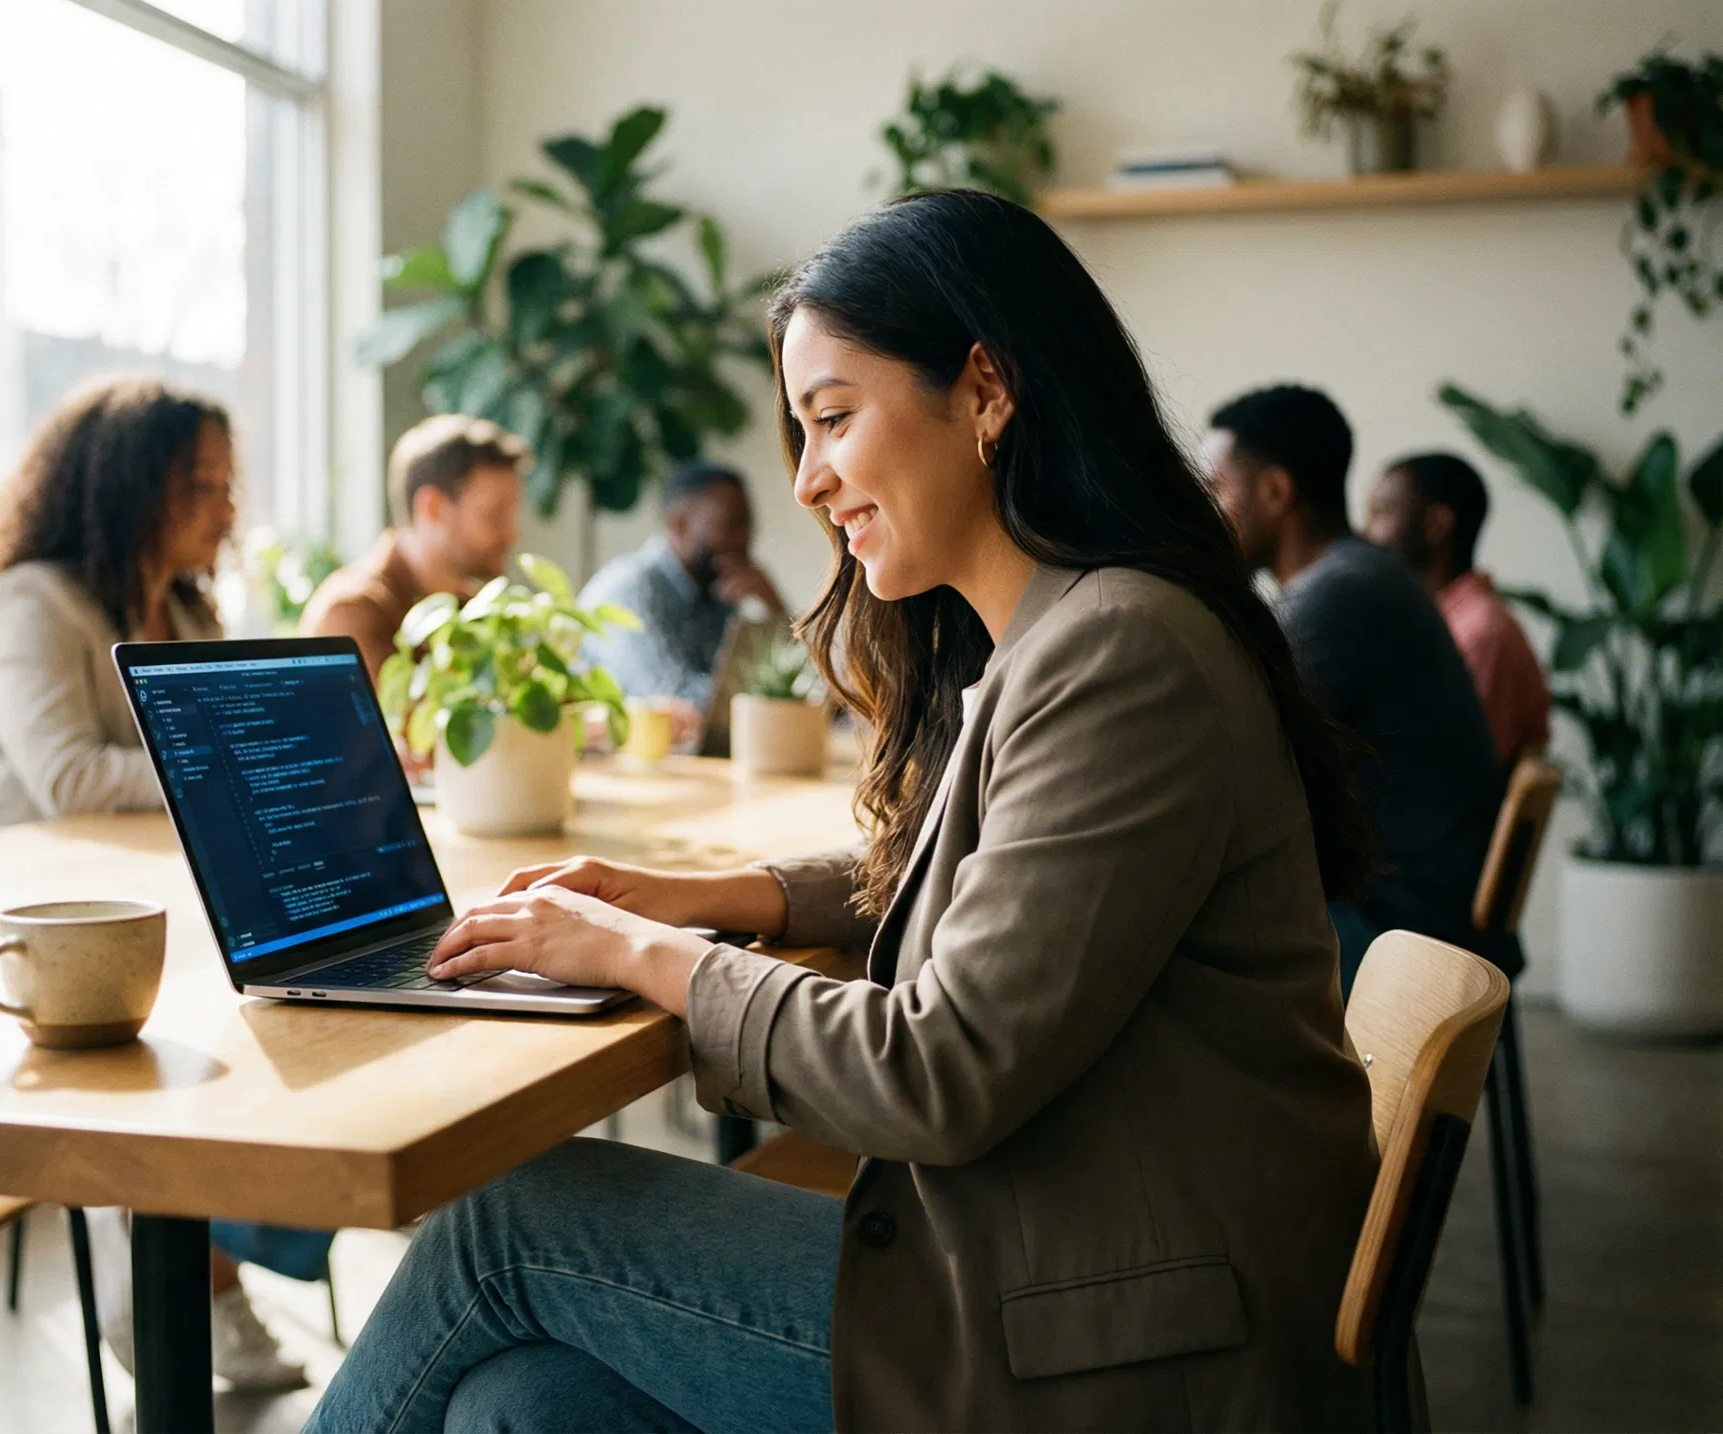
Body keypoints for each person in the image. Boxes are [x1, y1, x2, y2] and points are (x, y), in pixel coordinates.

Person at [306, 192, 1381, 1433]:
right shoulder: (1077, 628)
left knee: (505, 1225)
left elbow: (939, 1069)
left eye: (832, 419)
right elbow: (980, 876)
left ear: (985, 392)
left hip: (1120, 1348)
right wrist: (709, 897)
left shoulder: (1120, 653)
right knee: (525, 1404)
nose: (809, 481)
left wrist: (639, 954)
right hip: (1089, 1267)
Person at [0, 375, 327, 1392]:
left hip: (136, 905)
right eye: (200, 484)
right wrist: (221, 762)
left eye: (228, 483)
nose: (226, 508)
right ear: (127, 487)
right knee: (196, 1027)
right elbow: (68, 777)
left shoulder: (189, 611)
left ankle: (226, 1250)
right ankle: (190, 1283)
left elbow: (213, 758)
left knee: (282, 999)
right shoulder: (32, 602)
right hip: (9, 929)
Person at [1204, 385, 1503, 986]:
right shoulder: (1369, 575)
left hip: (1402, 931)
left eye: (1216, 488)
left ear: (1276, 491)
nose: (1205, 509)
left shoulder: (1338, 597)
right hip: (1420, 908)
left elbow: (1227, 761)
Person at [301, 414, 526, 679]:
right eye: (494, 515)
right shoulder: (352, 613)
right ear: (433, 507)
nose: (512, 535)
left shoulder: (475, 610)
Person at [1363, 451, 1551, 766]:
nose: (1365, 533)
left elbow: (1446, 766)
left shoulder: (1478, 634)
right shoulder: (1437, 623)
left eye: (1380, 514)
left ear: (1436, 524)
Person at [576, 459, 788, 714]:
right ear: (679, 525)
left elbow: (802, 682)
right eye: (732, 524)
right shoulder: (630, 590)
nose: (744, 538)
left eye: (747, 524)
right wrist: (759, 696)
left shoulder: (715, 588)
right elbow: (676, 703)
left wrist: (774, 606)